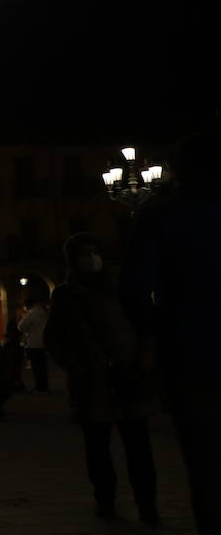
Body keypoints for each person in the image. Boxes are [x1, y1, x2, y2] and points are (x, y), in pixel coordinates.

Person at [121, 130, 221, 533]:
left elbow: (132, 290)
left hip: (189, 357)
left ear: (180, 172)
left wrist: (157, 330)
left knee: (206, 469)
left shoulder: (160, 219)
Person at [45, 232, 158, 524]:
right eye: (84, 253)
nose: (91, 258)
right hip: (92, 383)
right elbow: (54, 339)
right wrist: (76, 367)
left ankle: (148, 505)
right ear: (72, 260)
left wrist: (145, 358)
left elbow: (148, 324)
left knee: (139, 448)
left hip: (129, 376)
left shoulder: (123, 287)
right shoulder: (65, 296)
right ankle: (105, 500)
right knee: (98, 450)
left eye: (94, 251)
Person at [18, 297, 50, 393]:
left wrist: (24, 316)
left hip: (33, 343)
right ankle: (44, 386)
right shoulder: (43, 312)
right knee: (42, 366)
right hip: (42, 342)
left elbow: (21, 326)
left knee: (36, 367)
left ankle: (39, 387)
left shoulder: (33, 313)